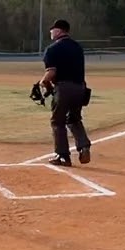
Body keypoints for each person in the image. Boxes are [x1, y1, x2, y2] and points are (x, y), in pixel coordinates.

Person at [37, 19, 91, 167]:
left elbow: (51, 72)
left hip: (64, 88)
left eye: (52, 29)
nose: (50, 32)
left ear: (59, 31)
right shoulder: (77, 47)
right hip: (80, 88)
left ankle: (62, 156)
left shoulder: (52, 49)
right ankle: (84, 146)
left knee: (57, 121)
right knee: (74, 119)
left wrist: (42, 82)